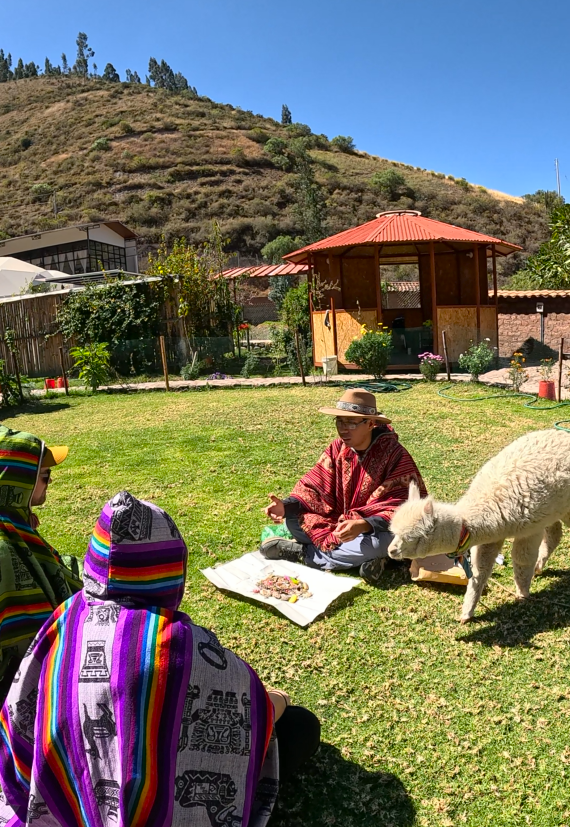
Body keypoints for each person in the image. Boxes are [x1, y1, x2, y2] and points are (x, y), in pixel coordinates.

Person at [0, 491, 320, 826]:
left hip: (61, 810)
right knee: (301, 727)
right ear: (170, 572)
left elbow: (19, 713)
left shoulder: (67, 616)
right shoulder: (181, 646)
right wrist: (275, 701)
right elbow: (246, 722)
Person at [260, 388, 427, 585]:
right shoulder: (337, 448)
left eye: (351, 423)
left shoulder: (394, 455)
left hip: (376, 529)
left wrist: (364, 524)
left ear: (371, 424)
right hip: (339, 521)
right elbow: (315, 485)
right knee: (293, 522)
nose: (343, 429)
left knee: (382, 542)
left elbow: (408, 508)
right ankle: (378, 561)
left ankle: (304, 554)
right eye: (339, 421)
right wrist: (286, 506)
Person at [0, 424, 82, 704]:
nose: (50, 483)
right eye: (44, 477)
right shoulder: (6, 547)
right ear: (16, 484)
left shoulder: (15, 523)